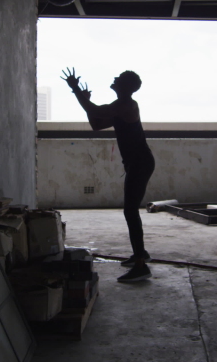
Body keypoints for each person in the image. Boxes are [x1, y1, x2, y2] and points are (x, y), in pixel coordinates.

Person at [61, 67, 155, 283]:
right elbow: (96, 123)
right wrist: (85, 100)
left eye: (119, 78)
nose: (114, 79)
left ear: (125, 86)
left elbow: (95, 109)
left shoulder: (126, 106)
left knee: (131, 211)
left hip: (140, 164)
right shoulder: (119, 108)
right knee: (130, 210)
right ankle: (140, 254)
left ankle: (141, 264)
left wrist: (76, 90)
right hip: (137, 164)